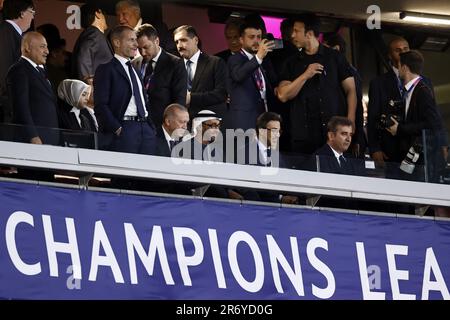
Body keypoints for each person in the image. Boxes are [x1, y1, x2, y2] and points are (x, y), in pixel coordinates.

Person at [277, 13, 357, 155]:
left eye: (296, 31)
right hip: (303, 135)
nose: (292, 35)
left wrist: (350, 120)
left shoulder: (335, 57)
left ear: (309, 33)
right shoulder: (291, 62)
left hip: (333, 133)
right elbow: (283, 95)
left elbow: (351, 90)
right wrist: (305, 75)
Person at [94, 25, 155, 155]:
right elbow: (100, 105)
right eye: (131, 40)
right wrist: (117, 128)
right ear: (117, 42)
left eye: (136, 40)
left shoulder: (136, 70)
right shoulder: (106, 69)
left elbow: (144, 101)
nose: (136, 44)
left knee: (147, 173)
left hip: (145, 129)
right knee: (124, 174)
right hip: (125, 128)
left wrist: (151, 127)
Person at [385, 50, 445, 181]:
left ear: (405, 68)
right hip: (412, 157)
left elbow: (433, 124)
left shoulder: (422, 91)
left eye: (399, 66)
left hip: (422, 158)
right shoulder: (412, 90)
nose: (398, 69)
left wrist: (400, 129)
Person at [234, 112, 299, 204]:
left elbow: (286, 181)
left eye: (279, 131)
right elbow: (247, 188)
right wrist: (279, 199)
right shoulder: (245, 153)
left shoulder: (278, 155)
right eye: (274, 131)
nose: (278, 135)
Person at [7, 31, 59, 145]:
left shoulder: (41, 71)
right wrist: (32, 136)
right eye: (42, 47)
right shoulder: (20, 70)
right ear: (27, 48)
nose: (47, 51)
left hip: (50, 139)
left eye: (47, 47)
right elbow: (21, 107)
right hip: (34, 141)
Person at [228, 21, 278, 131]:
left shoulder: (262, 61)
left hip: (264, 119)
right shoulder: (235, 59)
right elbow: (238, 75)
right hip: (244, 122)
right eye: (251, 37)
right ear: (241, 40)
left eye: (259, 37)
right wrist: (259, 57)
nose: (256, 41)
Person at [133, 23, 186, 127]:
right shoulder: (134, 64)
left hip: (163, 125)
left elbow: (179, 101)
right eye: (139, 48)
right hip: (138, 125)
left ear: (156, 41)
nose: (143, 52)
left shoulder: (175, 64)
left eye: (146, 47)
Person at [322, 32, 366, 157]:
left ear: (336, 49)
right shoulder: (352, 71)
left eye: (325, 48)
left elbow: (357, 105)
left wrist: (355, 136)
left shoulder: (348, 73)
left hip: (346, 132)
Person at [173, 25, 227, 121]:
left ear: (196, 40)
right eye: (177, 42)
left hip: (210, 123)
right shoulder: (174, 67)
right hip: (183, 125)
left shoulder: (215, 62)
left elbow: (221, 94)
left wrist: (191, 98)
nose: (179, 46)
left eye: (183, 40)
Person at [0, 0, 35, 124]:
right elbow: (4, 72)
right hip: (7, 114)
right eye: (32, 12)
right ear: (22, 13)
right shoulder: (6, 33)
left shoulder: (12, 34)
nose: (33, 16)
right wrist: (10, 110)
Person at [72, 3, 112, 84]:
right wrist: (88, 86)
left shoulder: (89, 33)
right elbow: (83, 57)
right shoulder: (94, 34)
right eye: (104, 14)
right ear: (98, 13)